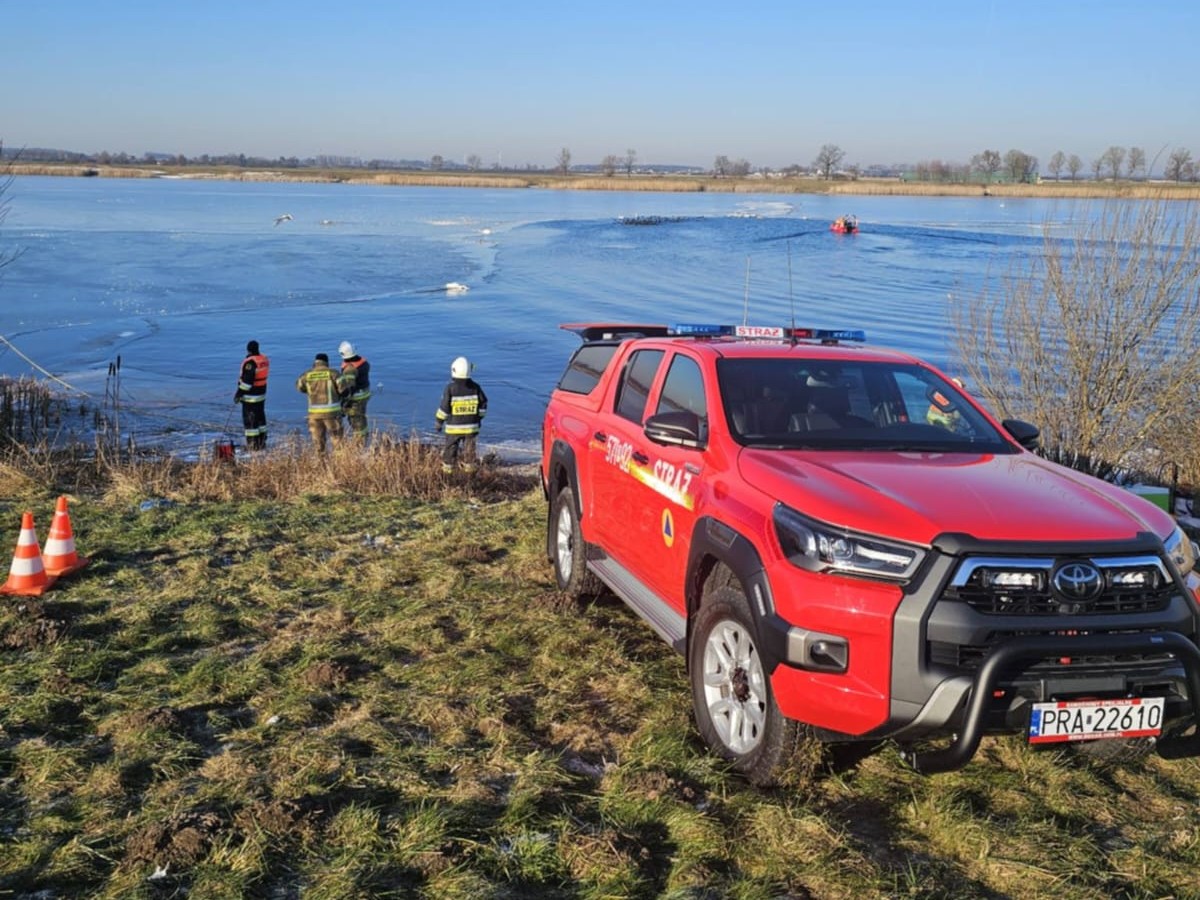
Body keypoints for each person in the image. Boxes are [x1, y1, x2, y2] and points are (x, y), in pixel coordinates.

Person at [435, 355, 488, 474]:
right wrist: (479, 418)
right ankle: (470, 474)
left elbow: (444, 408)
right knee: (470, 452)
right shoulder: (476, 388)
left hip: (453, 429)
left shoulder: (450, 388)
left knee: (450, 451)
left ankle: (448, 474)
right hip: (471, 429)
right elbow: (483, 404)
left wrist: (439, 422)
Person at [295, 352, 344, 455]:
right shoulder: (334, 373)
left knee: (318, 443)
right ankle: (340, 461)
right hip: (332, 413)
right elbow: (343, 389)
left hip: (314, 414)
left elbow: (299, 387)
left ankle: (321, 461)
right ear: (327, 362)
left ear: (315, 362)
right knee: (337, 440)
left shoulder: (306, 375)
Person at [234, 339, 269, 450]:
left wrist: (238, 394)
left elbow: (247, 382)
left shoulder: (250, 363)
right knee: (260, 418)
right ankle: (262, 442)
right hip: (261, 394)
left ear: (248, 350)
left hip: (251, 397)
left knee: (250, 421)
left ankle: (253, 446)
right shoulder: (263, 359)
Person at [336, 340, 371, 444]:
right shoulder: (363, 362)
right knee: (361, 417)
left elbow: (349, 388)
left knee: (356, 419)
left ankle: (360, 443)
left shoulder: (350, 369)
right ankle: (364, 438)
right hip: (365, 393)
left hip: (356, 398)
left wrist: (344, 402)